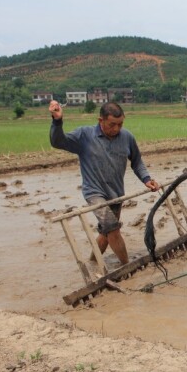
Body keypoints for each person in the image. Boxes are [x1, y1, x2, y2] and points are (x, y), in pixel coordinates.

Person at [49, 100, 160, 265]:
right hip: (94, 193)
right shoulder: (85, 136)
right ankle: (127, 266)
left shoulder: (127, 137)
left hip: (116, 193)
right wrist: (57, 121)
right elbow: (58, 142)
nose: (116, 129)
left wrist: (146, 179)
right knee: (113, 228)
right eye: (112, 124)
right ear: (100, 120)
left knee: (106, 233)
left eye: (120, 124)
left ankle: (93, 262)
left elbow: (136, 162)